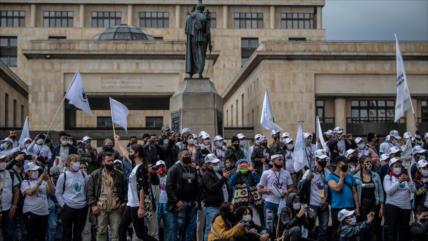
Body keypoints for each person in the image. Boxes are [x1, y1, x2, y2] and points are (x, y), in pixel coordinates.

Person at [116, 141, 158, 241]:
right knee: (121, 229)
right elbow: (125, 154)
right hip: (130, 204)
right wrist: (117, 141)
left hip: (136, 205)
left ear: (137, 153)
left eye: (131, 152)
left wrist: (141, 207)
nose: (129, 153)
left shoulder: (142, 168)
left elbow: (142, 188)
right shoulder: (136, 166)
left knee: (141, 234)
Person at [87, 152, 126, 241]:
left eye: (112, 160)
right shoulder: (95, 174)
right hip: (101, 208)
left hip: (116, 208)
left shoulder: (119, 174)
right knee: (101, 232)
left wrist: (123, 204)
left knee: (116, 233)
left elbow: (125, 191)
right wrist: (93, 205)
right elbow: (89, 191)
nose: (111, 162)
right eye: (108, 161)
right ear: (103, 162)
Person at [166, 149, 199, 241]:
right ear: (179, 157)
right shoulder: (174, 169)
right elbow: (169, 186)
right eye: (185, 154)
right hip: (179, 204)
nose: (188, 155)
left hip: (191, 204)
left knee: (189, 229)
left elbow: (196, 186)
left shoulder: (192, 169)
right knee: (178, 230)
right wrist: (176, 201)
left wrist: (196, 200)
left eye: (189, 154)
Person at [299, 149, 330, 241]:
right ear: (316, 159)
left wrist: (327, 202)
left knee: (324, 228)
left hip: (324, 205)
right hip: (312, 206)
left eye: (325, 159)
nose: (323, 161)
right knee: (311, 228)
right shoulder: (309, 172)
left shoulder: (328, 172)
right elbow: (300, 188)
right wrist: (307, 179)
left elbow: (331, 190)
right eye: (321, 159)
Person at [54, 154, 88, 241]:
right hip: (68, 208)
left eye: (78, 161)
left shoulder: (84, 175)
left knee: (78, 233)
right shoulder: (63, 176)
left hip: (82, 208)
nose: (77, 163)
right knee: (67, 233)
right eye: (74, 161)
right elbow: (58, 193)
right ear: (69, 163)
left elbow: (88, 190)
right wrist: (64, 206)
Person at [258, 154, 294, 234]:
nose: (282, 162)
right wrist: (267, 190)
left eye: (282, 160)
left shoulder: (286, 173)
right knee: (269, 228)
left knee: (282, 227)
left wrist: (287, 191)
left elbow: (292, 187)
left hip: (282, 204)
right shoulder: (266, 173)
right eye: (279, 160)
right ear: (273, 161)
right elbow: (259, 189)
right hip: (269, 203)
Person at [327, 156, 359, 241]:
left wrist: (357, 207)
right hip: (337, 208)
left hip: (350, 208)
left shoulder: (350, 176)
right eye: (344, 163)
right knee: (337, 232)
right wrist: (341, 177)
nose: (346, 165)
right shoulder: (331, 177)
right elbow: (337, 188)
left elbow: (355, 192)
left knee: (351, 231)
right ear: (338, 164)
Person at [383, 157, 415, 241]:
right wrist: (399, 181)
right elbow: (388, 191)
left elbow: (413, 190)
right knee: (392, 231)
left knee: (404, 231)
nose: (398, 168)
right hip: (392, 206)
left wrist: (409, 181)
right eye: (396, 166)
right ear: (391, 167)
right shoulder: (388, 177)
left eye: (400, 166)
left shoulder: (405, 176)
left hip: (406, 207)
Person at [353, 155, 384, 241]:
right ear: (362, 164)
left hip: (374, 205)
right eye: (367, 162)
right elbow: (354, 193)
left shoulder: (376, 175)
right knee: (363, 229)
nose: (369, 164)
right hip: (362, 206)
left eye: (370, 162)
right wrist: (357, 208)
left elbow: (380, 191)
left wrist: (381, 206)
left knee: (374, 229)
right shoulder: (355, 177)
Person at [21, 162, 54, 241]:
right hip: (31, 213)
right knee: (31, 236)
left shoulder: (43, 181)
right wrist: (40, 180)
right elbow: (30, 192)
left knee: (41, 237)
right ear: (28, 172)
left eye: (37, 170)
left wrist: (48, 179)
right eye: (33, 170)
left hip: (44, 213)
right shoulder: (25, 182)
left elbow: (50, 192)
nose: (36, 172)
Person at [202, 154, 230, 241]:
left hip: (219, 205)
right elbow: (212, 188)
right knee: (210, 228)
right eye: (213, 164)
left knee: (218, 228)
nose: (216, 165)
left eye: (216, 163)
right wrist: (223, 178)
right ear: (207, 164)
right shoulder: (207, 174)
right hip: (212, 206)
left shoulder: (217, 173)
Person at [229, 159, 262, 224]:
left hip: (253, 202)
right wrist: (237, 172)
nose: (244, 167)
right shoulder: (235, 173)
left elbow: (259, 182)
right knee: (241, 220)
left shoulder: (252, 173)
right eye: (242, 165)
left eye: (245, 165)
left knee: (255, 221)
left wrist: (252, 171)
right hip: (240, 203)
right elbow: (230, 184)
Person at [0, 152, 20, 241]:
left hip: (8, 210)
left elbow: (16, 190)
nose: (2, 162)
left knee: (8, 233)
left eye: (4, 160)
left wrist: (14, 206)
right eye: (0, 160)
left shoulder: (11, 173)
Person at [154, 160, 174, 241]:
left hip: (167, 204)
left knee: (169, 227)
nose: (161, 169)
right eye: (159, 167)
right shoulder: (153, 178)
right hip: (157, 205)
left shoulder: (169, 178)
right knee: (155, 228)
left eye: (162, 166)